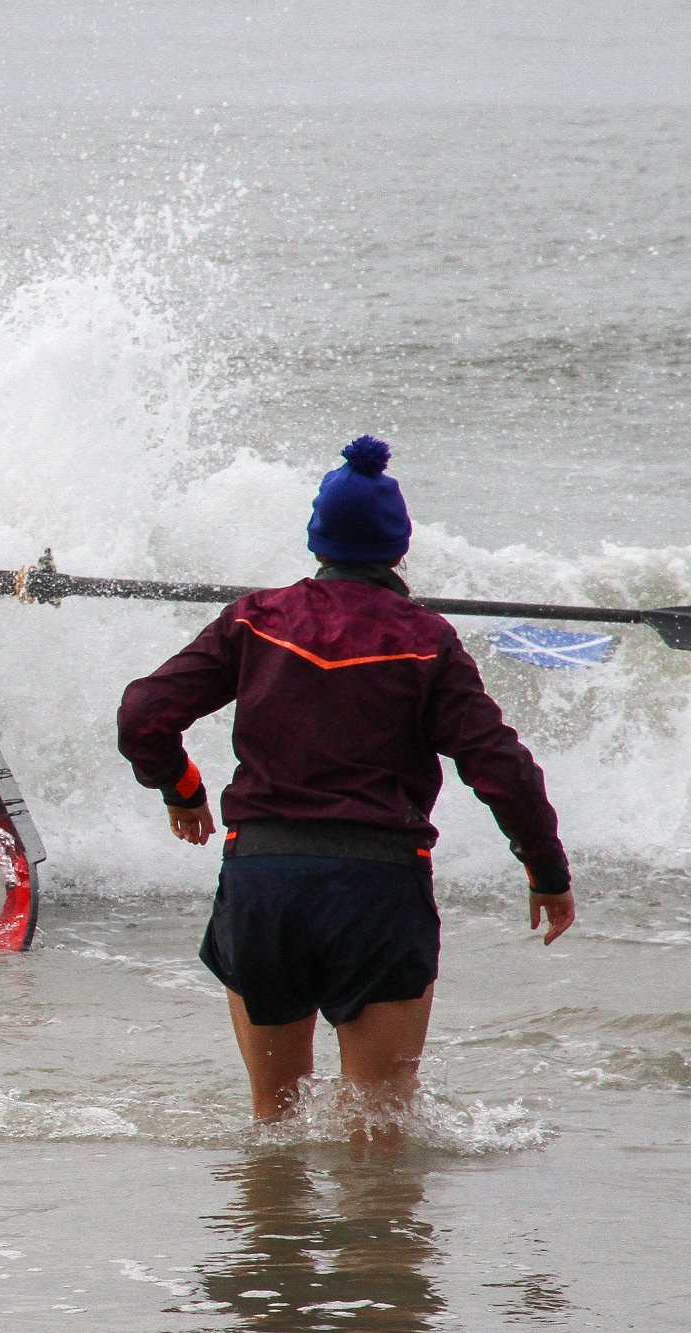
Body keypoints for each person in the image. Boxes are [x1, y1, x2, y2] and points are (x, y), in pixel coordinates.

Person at [116, 435, 576, 1127]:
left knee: (274, 1121)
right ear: (399, 547)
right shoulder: (428, 639)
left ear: (317, 539)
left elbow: (142, 713)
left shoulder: (254, 619)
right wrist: (546, 870)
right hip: (376, 891)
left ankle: (274, 1232)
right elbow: (501, 767)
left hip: (264, 881)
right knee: (380, 1131)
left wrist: (181, 788)